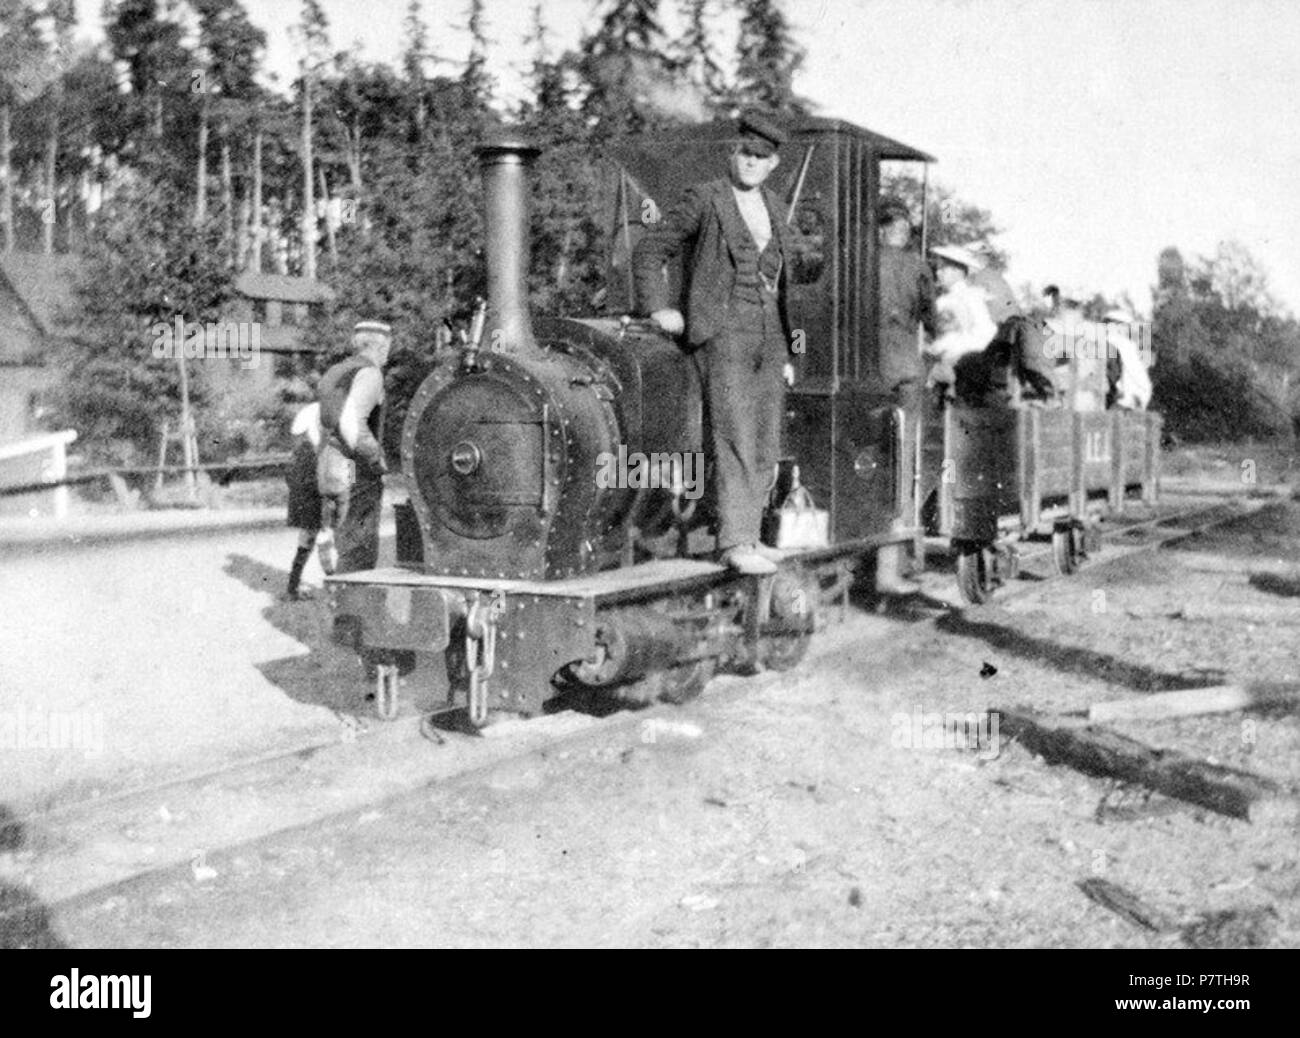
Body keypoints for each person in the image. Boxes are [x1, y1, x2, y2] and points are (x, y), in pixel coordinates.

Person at [632, 112, 794, 576]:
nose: (750, 162)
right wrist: (658, 308)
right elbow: (649, 251)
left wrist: (790, 350)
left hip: (771, 336)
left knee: (764, 438)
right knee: (735, 434)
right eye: (745, 153)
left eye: (760, 157)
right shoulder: (705, 199)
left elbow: (785, 285)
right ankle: (733, 541)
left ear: (773, 164)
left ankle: (753, 535)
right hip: (721, 333)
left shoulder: (778, 208)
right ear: (732, 153)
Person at [876, 196, 934, 595]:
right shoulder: (917, 265)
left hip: (869, 368)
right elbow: (931, 316)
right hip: (906, 372)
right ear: (905, 231)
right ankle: (892, 567)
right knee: (904, 461)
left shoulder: (861, 262)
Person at [317, 320, 392, 577]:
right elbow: (352, 421)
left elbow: (327, 420)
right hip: (355, 469)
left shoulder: (336, 371)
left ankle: (340, 598)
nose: (388, 353)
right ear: (380, 346)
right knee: (359, 546)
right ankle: (350, 611)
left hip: (331, 462)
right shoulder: (370, 373)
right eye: (387, 347)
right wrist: (376, 456)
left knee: (344, 537)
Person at [926, 244, 997, 397]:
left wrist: (954, 352)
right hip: (941, 366)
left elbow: (986, 332)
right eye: (938, 268)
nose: (938, 272)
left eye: (943, 268)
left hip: (964, 368)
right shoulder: (942, 300)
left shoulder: (971, 296)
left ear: (958, 272)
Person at [284, 401, 324, 600]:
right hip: (318, 499)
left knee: (306, 542)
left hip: (306, 501)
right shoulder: (315, 451)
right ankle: (335, 584)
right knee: (325, 540)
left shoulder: (299, 453)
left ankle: (293, 587)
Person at [1102, 308, 1153, 410]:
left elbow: (1114, 375)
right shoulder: (1128, 346)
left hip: (1122, 401)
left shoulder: (1118, 343)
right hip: (1134, 400)